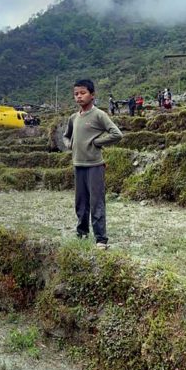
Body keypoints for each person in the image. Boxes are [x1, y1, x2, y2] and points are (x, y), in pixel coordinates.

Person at [62, 79, 123, 250]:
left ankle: (101, 239)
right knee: (80, 202)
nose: (79, 97)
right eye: (76, 94)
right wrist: (69, 144)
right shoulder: (73, 118)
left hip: (95, 165)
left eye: (83, 93)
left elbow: (117, 134)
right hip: (78, 164)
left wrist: (98, 142)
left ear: (92, 95)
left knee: (96, 202)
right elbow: (66, 136)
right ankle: (82, 233)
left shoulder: (98, 115)